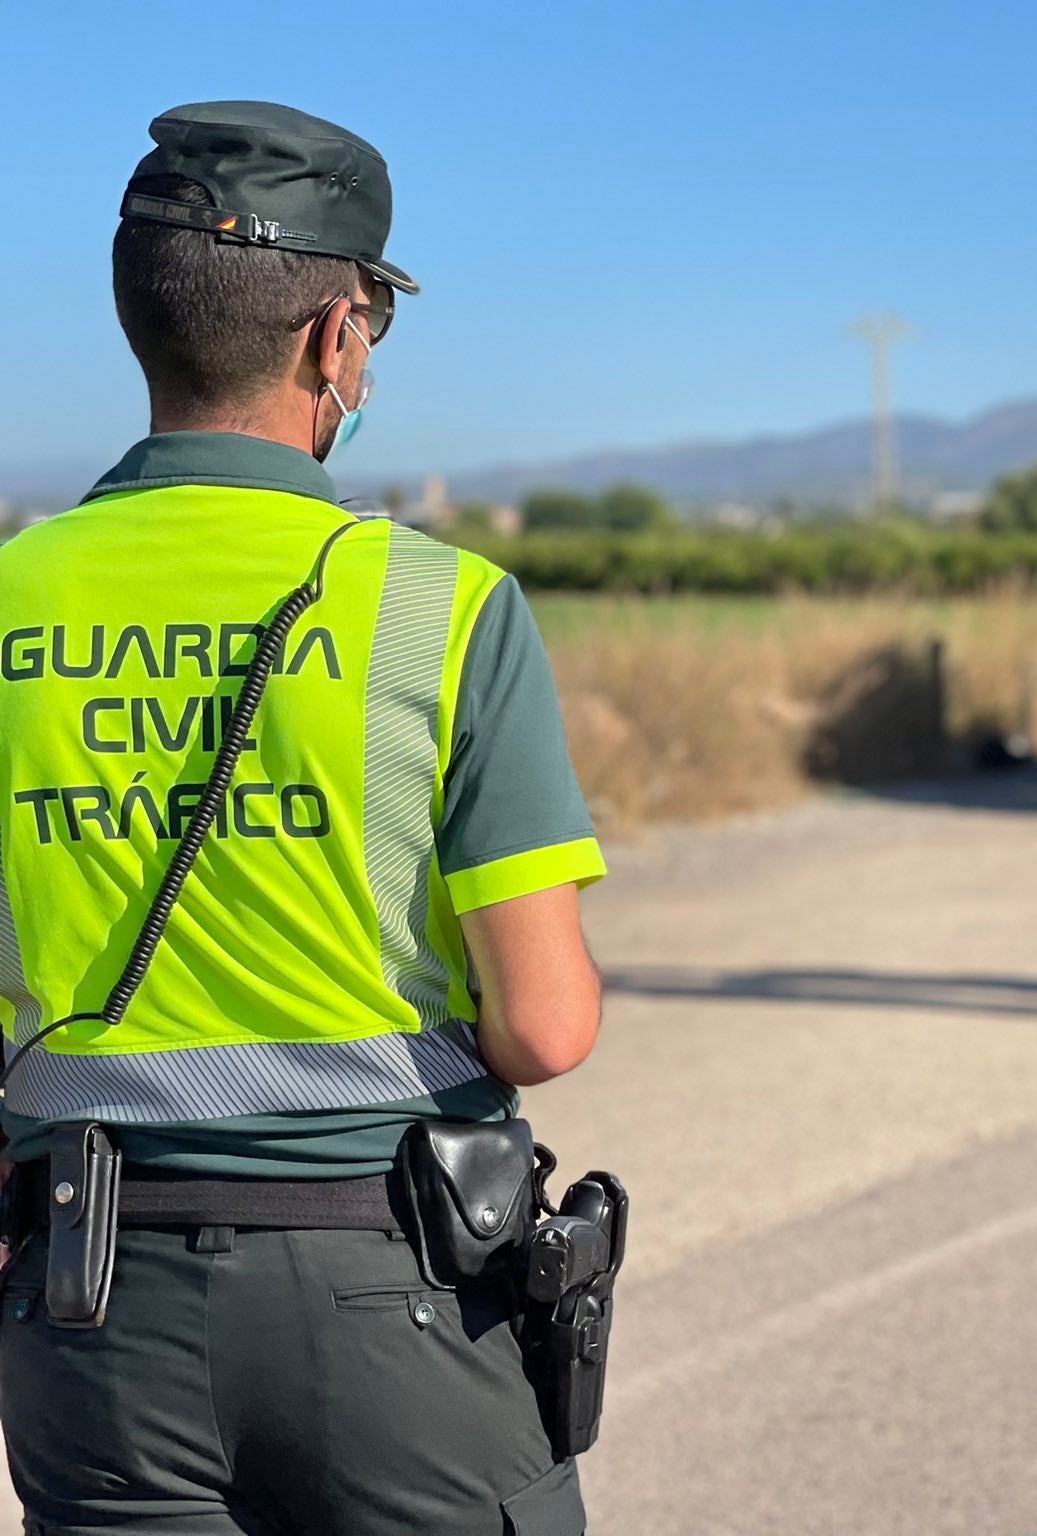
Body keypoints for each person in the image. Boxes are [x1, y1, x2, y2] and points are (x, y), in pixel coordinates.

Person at [0, 102, 605, 1534]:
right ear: (338, 337)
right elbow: (544, 1028)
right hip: (392, 1296)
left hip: (89, 1305)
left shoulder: (12, 598)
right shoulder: (444, 608)